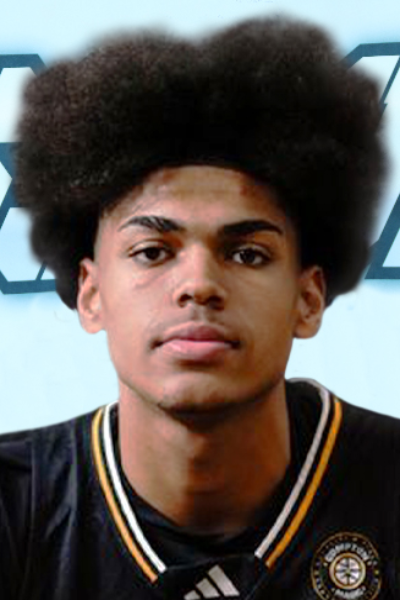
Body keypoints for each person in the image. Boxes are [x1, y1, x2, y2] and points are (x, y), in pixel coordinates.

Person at [0, 16, 395, 600]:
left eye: (247, 254)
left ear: (308, 300)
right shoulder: (16, 506)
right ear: (91, 293)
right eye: (152, 251)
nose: (199, 284)